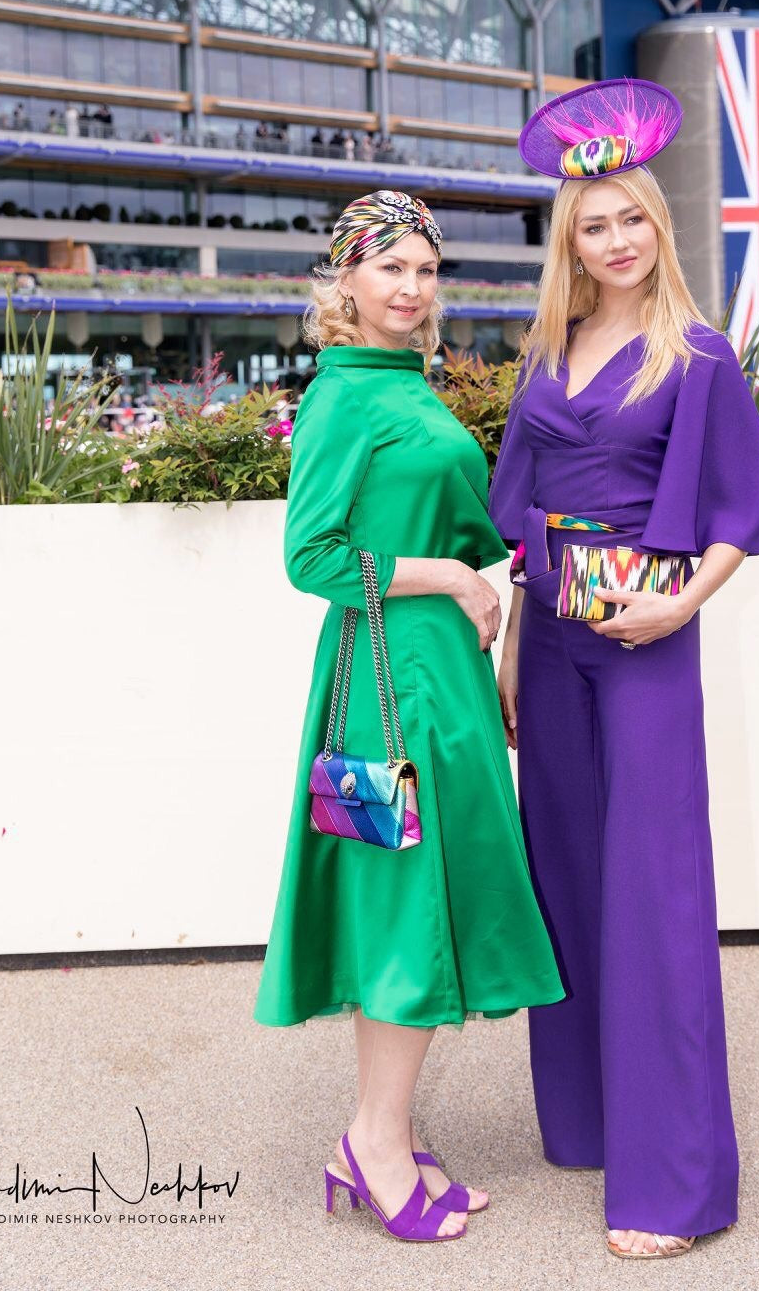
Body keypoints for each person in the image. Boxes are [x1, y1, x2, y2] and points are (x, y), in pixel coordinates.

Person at [487, 77, 759, 1262]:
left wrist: (682, 604)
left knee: (654, 892)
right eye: (593, 226)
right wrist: (512, 651)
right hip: (551, 638)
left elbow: (738, 509)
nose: (615, 241)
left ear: (657, 228)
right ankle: (587, 1123)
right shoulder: (548, 350)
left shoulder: (698, 353)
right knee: (567, 874)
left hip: (648, 641)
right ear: (567, 243)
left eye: (631, 220)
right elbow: (521, 523)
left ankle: (674, 1187)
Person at [254, 187, 564, 1244]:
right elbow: (311, 558)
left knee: (430, 889)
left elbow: (466, 520)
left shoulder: (407, 383)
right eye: (389, 266)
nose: (411, 287)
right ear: (345, 279)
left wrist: (488, 582)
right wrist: (446, 575)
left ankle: (387, 1132)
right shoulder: (343, 393)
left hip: (440, 672)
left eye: (426, 270)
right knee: (401, 899)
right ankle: (374, 1141)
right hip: (385, 681)